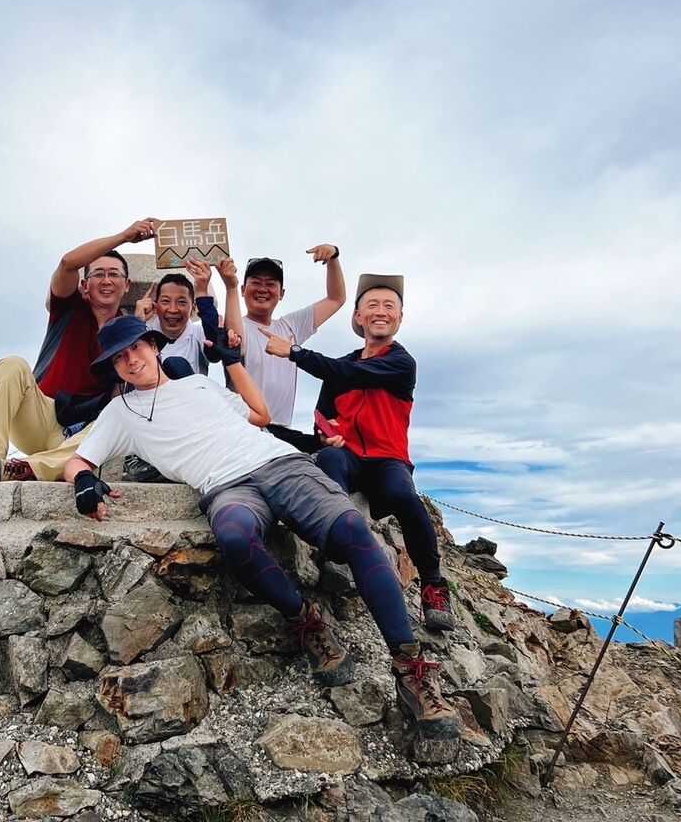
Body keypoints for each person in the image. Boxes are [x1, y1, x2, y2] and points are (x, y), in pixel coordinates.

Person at [63, 314, 461, 739]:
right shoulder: (120, 412)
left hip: (277, 461)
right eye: (118, 357)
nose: (130, 360)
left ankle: (410, 668)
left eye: (136, 348)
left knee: (352, 529)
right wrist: (84, 482)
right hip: (224, 486)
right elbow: (78, 460)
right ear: (113, 367)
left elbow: (259, 415)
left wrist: (233, 362)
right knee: (234, 537)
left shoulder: (199, 385)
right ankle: (306, 621)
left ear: (154, 346)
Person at [258, 274, 453, 631]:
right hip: (347, 456)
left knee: (402, 495)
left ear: (399, 318)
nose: (381, 311)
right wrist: (325, 435)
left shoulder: (401, 362)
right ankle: (335, 555)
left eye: (389, 306)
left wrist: (295, 352)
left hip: (388, 459)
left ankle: (433, 585)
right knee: (329, 457)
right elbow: (322, 419)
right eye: (372, 305)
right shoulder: (340, 369)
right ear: (359, 317)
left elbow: (347, 371)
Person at [0, 219, 159, 484]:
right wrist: (124, 236)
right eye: (98, 274)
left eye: (114, 274)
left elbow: (123, 391)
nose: (106, 280)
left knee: (117, 416)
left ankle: (24, 468)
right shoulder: (69, 307)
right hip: (39, 414)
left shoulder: (124, 332)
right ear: (84, 285)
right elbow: (68, 263)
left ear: (126, 285)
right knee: (12, 364)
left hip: (77, 433)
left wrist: (137, 325)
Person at [222, 245, 345, 429]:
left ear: (282, 294)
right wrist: (230, 287)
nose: (262, 289)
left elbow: (336, 299)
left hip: (283, 432)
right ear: (243, 290)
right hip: (244, 429)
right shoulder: (239, 324)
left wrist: (333, 256)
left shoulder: (291, 326)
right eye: (255, 282)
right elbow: (233, 341)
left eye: (271, 284)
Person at [133, 257, 241, 375]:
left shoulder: (199, 334)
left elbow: (215, 354)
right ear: (156, 307)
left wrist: (202, 292)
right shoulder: (142, 332)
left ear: (193, 309)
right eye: (165, 301)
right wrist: (137, 322)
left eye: (182, 302)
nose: (173, 309)